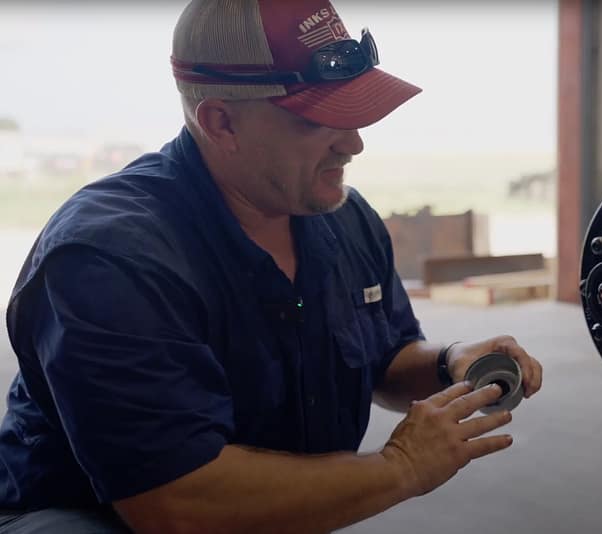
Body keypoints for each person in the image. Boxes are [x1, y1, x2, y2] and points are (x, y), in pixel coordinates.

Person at [0, 1, 543, 532]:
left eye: (353, 114)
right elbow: (177, 505)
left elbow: (384, 358)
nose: (353, 143)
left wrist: (449, 361)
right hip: (87, 513)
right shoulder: (111, 259)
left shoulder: (343, 218)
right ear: (222, 122)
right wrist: (401, 467)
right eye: (320, 119)